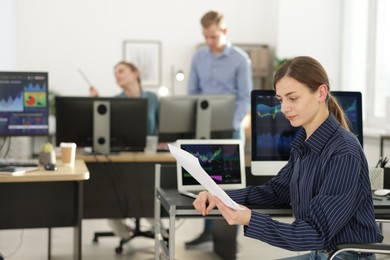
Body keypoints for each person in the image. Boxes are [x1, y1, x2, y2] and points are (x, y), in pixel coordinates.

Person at [192, 56, 383, 259]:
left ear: (321, 93)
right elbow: (276, 191)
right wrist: (218, 195)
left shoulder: (343, 152)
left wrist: (250, 219)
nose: (284, 109)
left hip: (343, 256)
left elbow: (314, 233)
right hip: (323, 254)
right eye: (281, 100)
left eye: (293, 98)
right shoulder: (304, 142)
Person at [185, 10, 253, 248]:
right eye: (206, 37)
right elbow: (192, 94)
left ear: (225, 31)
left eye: (213, 36)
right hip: (204, 129)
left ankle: (227, 240)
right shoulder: (199, 57)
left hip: (230, 129)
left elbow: (245, 98)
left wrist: (230, 125)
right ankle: (208, 232)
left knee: (229, 186)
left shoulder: (240, 59)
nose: (209, 42)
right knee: (206, 182)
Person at [90, 61, 159, 240]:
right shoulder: (116, 101)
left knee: (148, 189)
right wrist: (95, 102)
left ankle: (159, 227)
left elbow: (160, 127)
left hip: (148, 156)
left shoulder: (152, 98)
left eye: (121, 71)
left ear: (135, 73)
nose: (117, 76)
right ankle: (120, 228)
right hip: (122, 157)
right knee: (109, 186)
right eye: (115, 73)